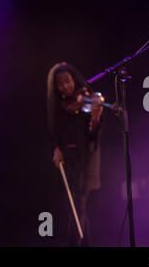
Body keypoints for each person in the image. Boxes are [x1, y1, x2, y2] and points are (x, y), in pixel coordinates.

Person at [47, 62, 103, 246]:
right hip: (69, 161)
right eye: (60, 84)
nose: (65, 86)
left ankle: (75, 244)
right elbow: (55, 133)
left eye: (68, 81)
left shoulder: (86, 99)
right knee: (77, 209)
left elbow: (93, 135)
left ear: (74, 79)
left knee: (78, 204)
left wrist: (95, 117)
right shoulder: (58, 106)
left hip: (86, 159)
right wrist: (56, 148)